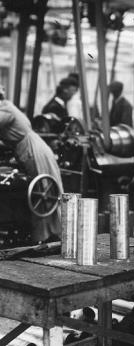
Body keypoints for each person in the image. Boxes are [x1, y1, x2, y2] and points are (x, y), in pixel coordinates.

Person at [0, 85, 63, 243]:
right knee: (42, 189)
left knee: (44, 190)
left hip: (33, 150)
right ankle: (46, 233)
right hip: (30, 147)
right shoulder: (7, 107)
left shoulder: (5, 109)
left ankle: (48, 235)